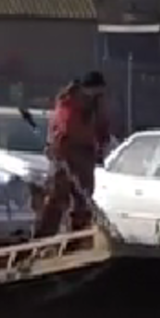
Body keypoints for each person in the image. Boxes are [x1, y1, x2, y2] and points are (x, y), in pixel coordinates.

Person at [33, 71, 113, 238]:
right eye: (97, 91)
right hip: (64, 150)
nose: (99, 95)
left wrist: (102, 142)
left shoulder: (96, 103)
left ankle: (78, 235)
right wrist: (59, 151)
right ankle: (43, 235)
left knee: (83, 197)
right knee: (58, 195)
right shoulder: (69, 102)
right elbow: (63, 127)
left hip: (85, 152)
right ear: (87, 88)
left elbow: (102, 124)